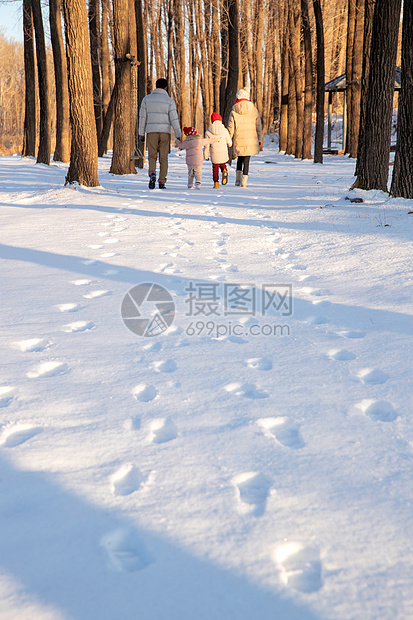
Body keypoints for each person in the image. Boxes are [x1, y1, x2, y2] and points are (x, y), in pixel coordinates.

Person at [138, 78, 182, 189]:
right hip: (164, 133)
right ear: (166, 87)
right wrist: (178, 134)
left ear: (156, 86)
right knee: (163, 158)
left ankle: (152, 172)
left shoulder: (146, 99)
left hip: (151, 132)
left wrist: (141, 133)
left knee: (152, 156)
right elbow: (174, 118)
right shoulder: (169, 101)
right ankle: (162, 181)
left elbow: (142, 117)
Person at [227, 88, 262, 188]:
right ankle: (244, 182)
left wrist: (229, 139)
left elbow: (230, 127)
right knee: (247, 159)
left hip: (239, 138)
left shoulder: (234, 111)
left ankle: (237, 180)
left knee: (240, 158)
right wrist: (259, 139)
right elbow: (258, 125)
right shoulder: (254, 109)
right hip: (250, 139)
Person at [204, 113, 232, 188]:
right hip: (223, 152)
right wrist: (229, 145)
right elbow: (229, 141)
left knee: (215, 168)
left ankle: (216, 183)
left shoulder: (208, 132)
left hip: (214, 153)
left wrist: (206, 155)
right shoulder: (225, 130)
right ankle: (224, 171)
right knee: (223, 164)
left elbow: (206, 145)